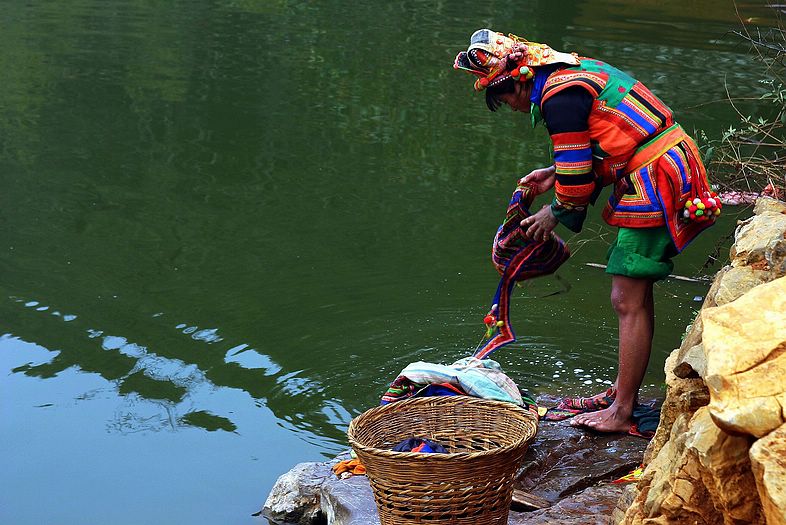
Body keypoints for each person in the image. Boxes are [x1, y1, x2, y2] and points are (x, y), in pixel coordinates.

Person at [453, 29, 717, 433]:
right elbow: (609, 142)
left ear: (520, 79)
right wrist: (553, 173)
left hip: (656, 177)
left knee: (626, 296)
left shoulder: (558, 97)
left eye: (504, 97)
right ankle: (621, 392)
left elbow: (577, 172)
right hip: (660, 164)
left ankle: (621, 412)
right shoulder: (568, 76)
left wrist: (554, 212)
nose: (510, 107)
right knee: (634, 293)